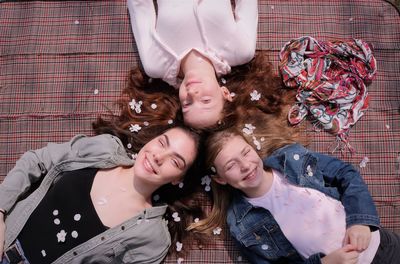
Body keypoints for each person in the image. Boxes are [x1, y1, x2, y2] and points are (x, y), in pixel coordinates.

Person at [0, 69, 205, 263]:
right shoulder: (104, 148)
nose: (159, 156)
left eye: (175, 161)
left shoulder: (152, 238)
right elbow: (35, 160)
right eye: (162, 142)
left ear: (178, 178)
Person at [190, 115, 400, 263]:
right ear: (220, 179)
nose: (245, 165)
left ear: (253, 147)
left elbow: (346, 174)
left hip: (383, 248)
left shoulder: (292, 159)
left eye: (245, 153)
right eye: (230, 165)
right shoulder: (241, 225)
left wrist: (360, 222)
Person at [127, 0, 259, 129]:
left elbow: (140, 7)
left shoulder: (156, 64)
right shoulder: (240, 51)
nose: (192, 94)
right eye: (206, 100)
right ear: (225, 93)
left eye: (187, 103)